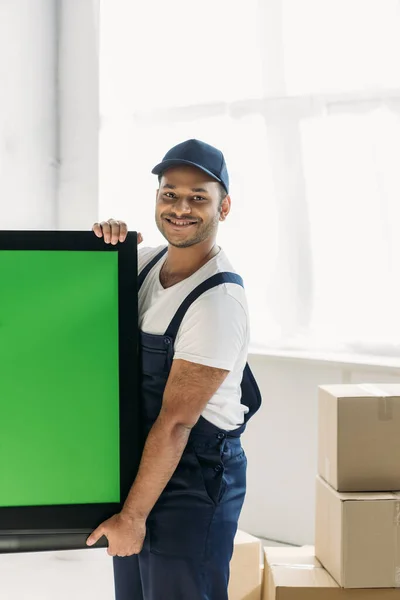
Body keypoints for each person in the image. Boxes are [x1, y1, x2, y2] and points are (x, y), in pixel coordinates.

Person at [87, 139, 261, 600]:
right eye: (170, 193)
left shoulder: (217, 302)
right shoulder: (147, 266)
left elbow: (177, 422)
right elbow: (83, 295)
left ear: (223, 207)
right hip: (148, 464)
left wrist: (133, 516)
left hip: (193, 478)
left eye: (198, 197)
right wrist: (105, 242)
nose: (181, 207)